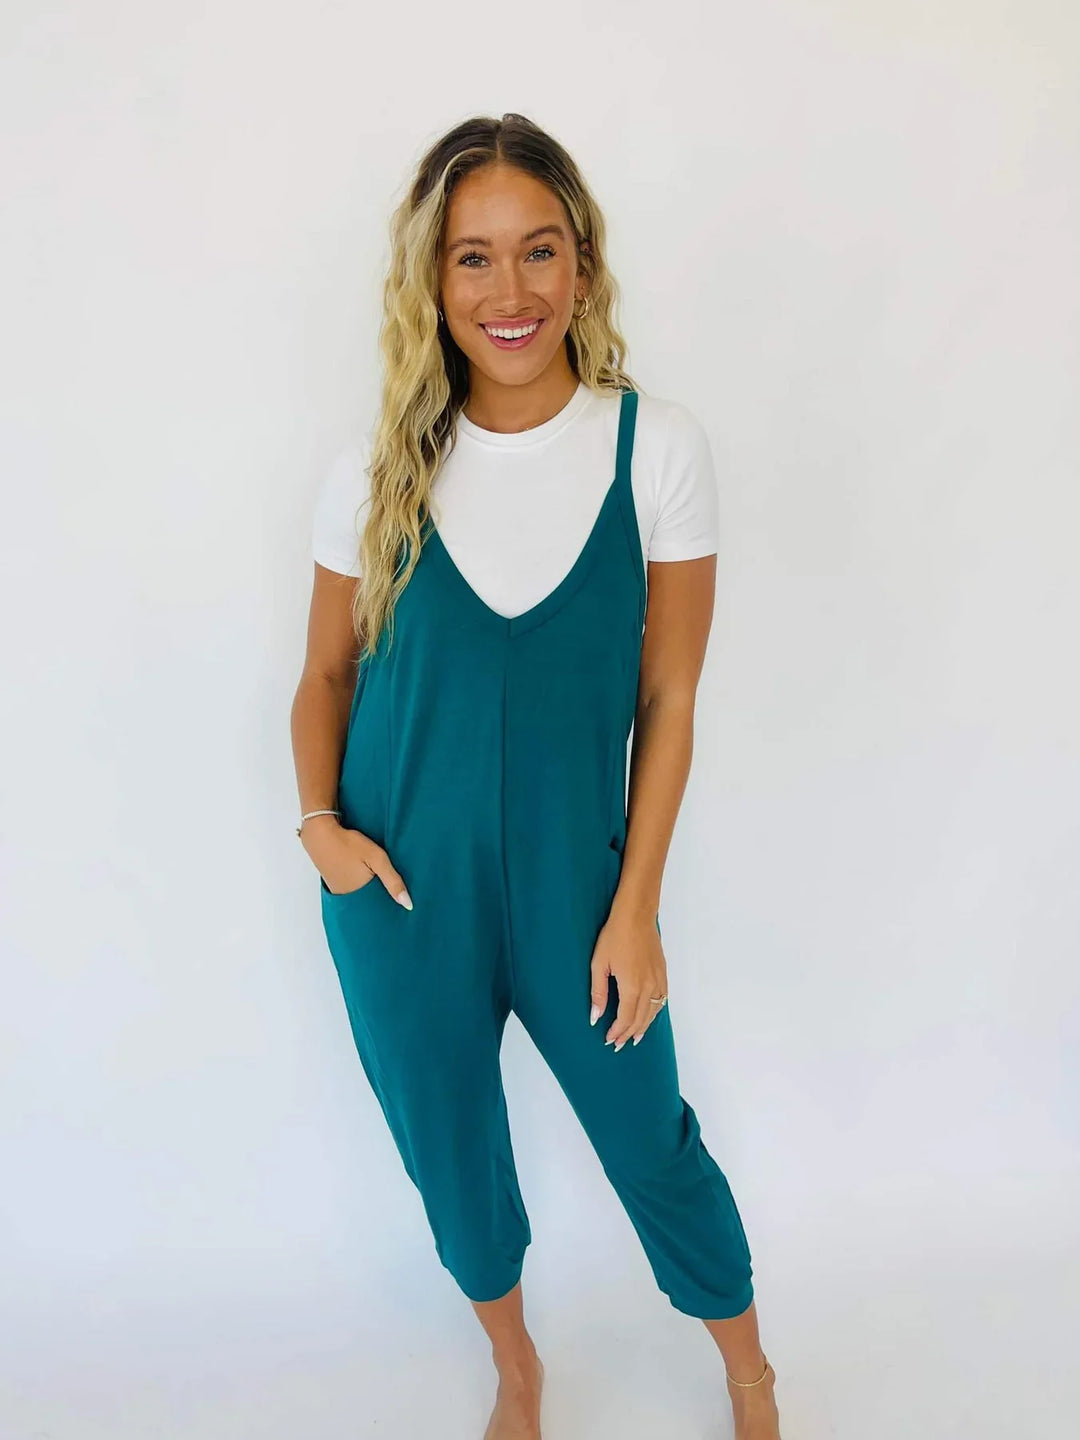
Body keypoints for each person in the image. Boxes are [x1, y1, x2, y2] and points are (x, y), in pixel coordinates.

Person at [290, 112, 783, 1440]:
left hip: (580, 891)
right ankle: (517, 1370)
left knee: (649, 1139)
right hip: (402, 891)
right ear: (433, 279)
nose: (509, 291)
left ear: (582, 263)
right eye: (473, 257)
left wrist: (636, 911)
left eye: (538, 250)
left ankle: (749, 1371)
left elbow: (670, 699)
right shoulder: (376, 473)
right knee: (453, 1160)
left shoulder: (653, 448)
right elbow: (324, 679)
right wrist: (321, 828)